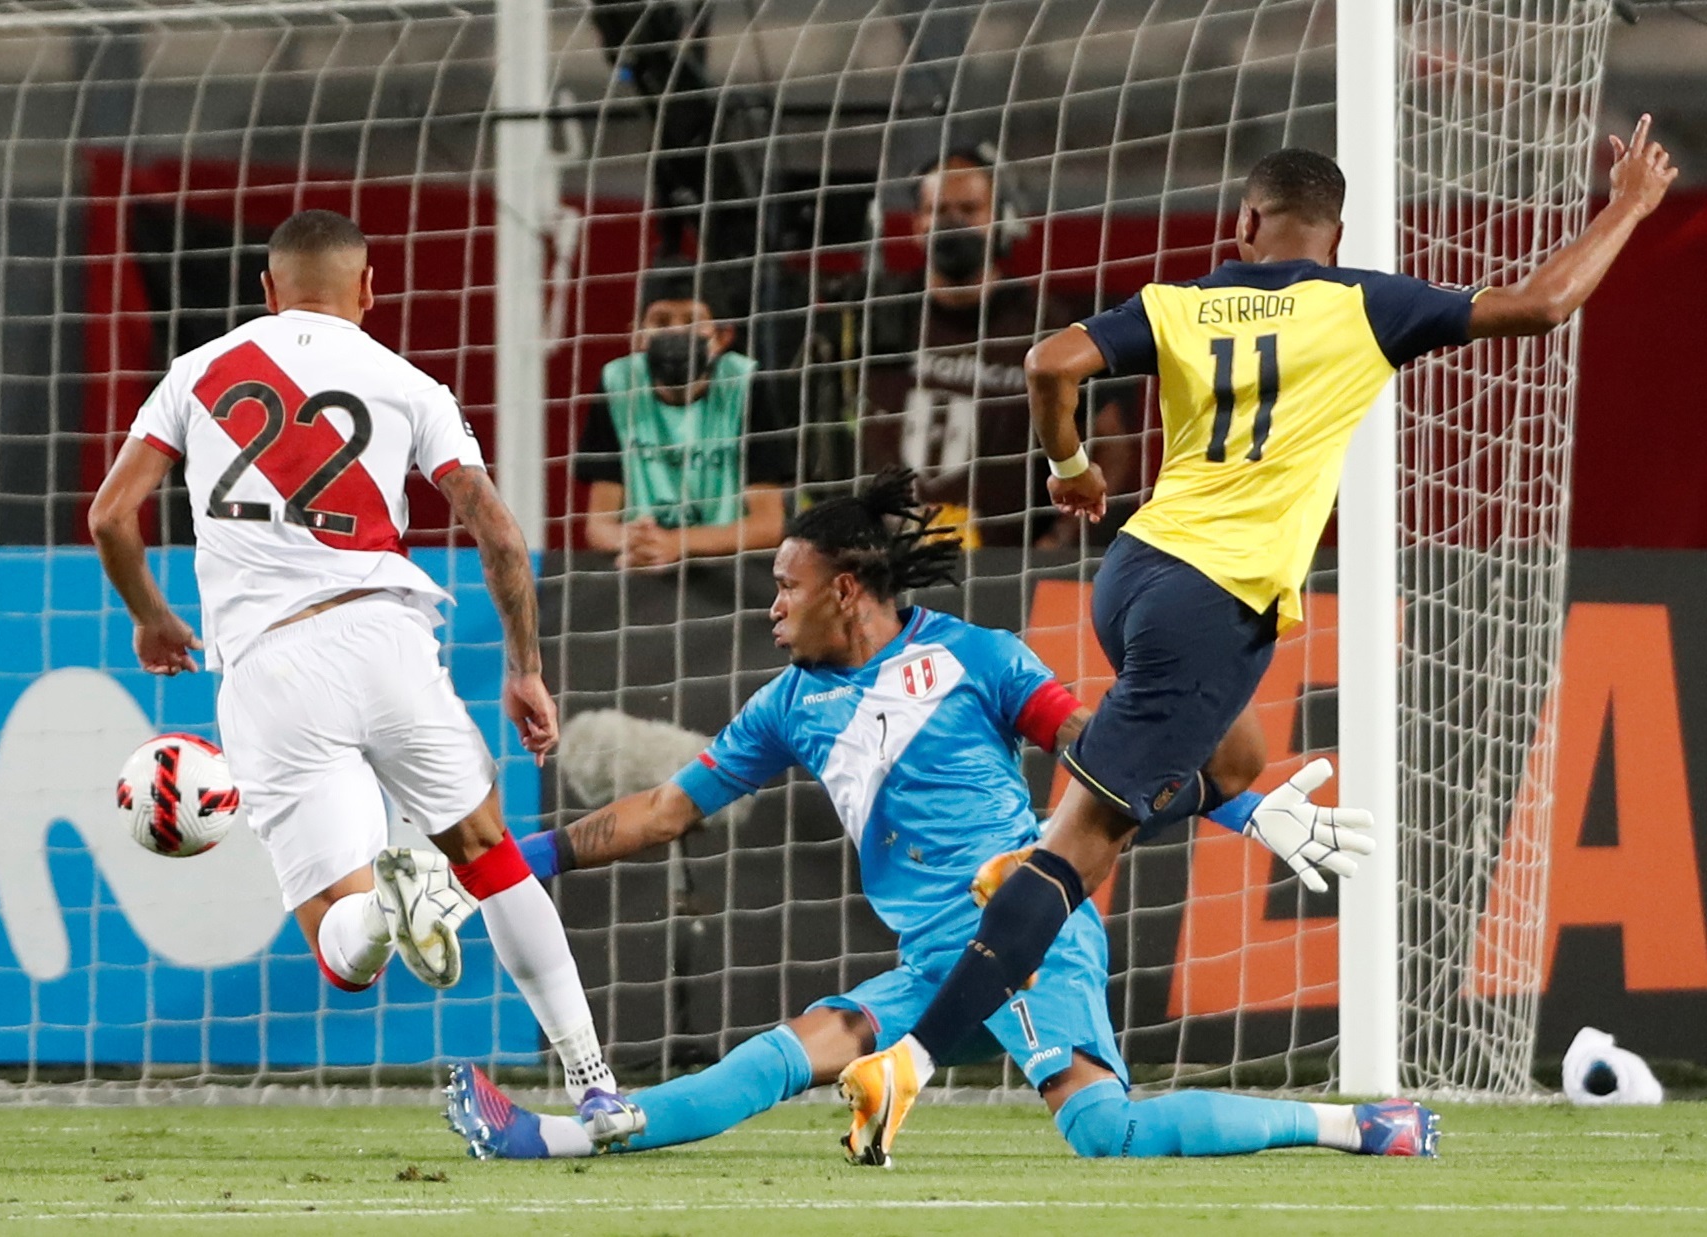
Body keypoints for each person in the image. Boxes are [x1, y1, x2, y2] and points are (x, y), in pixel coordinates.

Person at [837, 118, 1680, 1165]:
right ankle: (908, 1060)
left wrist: (1070, 468)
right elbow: (1545, 303)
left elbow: (1049, 362)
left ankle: (1072, 823)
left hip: (1136, 572)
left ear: (1244, 223)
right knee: (1075, 858)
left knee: (1233, 759)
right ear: (1337, 232)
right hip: (1214, 600)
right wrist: (1632, 203)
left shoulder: (1183, 301)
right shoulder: (1364, 301)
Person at [437, 471, 1402, 1164]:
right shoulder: (786, 702)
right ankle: (567, 1129)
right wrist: (510, 861)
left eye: (787, 584)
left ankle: (1359, 1124)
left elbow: (1095, 757)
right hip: (931, 960)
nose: (774, 606)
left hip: (1020, 928)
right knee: (788, 1049)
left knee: (1104, 1130)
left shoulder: (977, 658)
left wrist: (1231, 805)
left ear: (844, 589)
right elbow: (663, 811)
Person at [87, 209, 643, 1129]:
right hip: (386, 637)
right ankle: (596, 1084)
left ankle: (391, 905)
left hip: (270, 667)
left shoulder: (197, 372)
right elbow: (497, 531)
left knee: (346, 958)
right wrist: (524, 668)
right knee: (492, 855)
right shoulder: (407, 381)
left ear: (265, 291)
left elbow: (113, 517)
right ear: (370, 289)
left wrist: (152, 620)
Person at [805, 147, 1138, 546]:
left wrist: (1059, 542)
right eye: (939, 210)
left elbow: (1111, 446)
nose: (954, 223)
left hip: (1005, 565)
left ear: (1001, 218)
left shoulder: (1046, 325)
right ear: (916, 223)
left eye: (969, 209)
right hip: (883, 559)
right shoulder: (870, 318)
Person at [576, 264, 793, 568]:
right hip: (643, 569)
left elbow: (769, 525)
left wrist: (677, 543)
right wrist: (638, 542)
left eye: (692, 321)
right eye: (661, 321)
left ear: (722, 336)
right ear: (638, 336)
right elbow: (598, 526)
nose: (677, 333)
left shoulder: (744, 383)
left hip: (731, 572)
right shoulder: (618, 383)